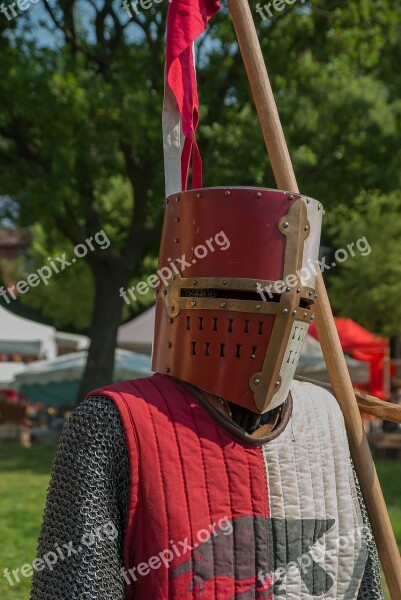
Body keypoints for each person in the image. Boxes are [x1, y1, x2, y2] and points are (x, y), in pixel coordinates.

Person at [30, 2, 383, 599]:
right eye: (242, 298)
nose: (270, 323)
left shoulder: (330, 419)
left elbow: (359, 579)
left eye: (290, 302)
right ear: (186, 295)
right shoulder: (115, 426)